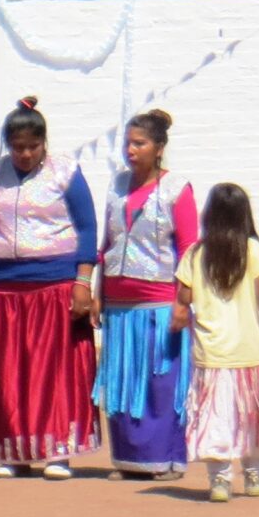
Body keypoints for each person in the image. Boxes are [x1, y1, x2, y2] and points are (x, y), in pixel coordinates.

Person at [0, 97, 100, 479]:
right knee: (9, 373)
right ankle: (13, 452)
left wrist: (82, 282)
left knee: (53, 371)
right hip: (5, 289)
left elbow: (88, 227)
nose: (24, 154)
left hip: (55, 284)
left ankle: (58, 451)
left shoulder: (65, 172)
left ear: (44, 143)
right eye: (17, 147)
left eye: (32, 147)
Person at [96, 109, 197, 479]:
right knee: (122, 383)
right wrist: (96, 293)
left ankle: (166, 460)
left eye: (140, 143)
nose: (131, 150)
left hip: (159, 302)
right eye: (128, 143)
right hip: (119, 305)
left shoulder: (176, 189)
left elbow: (189, 249)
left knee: (160, 384)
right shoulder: (117, 185)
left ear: (159, 148)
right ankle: (129, 460)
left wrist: (183, 301)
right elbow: (105, 243)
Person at [173, 184, 259, 503]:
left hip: (210, 354)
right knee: (251, 417)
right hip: (247, 352)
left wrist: (183, 311)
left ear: (208, 215)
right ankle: (254, 475)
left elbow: (184, 297)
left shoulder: (195, 254)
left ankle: (219, 480)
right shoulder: (252, 250)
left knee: (215, 418)